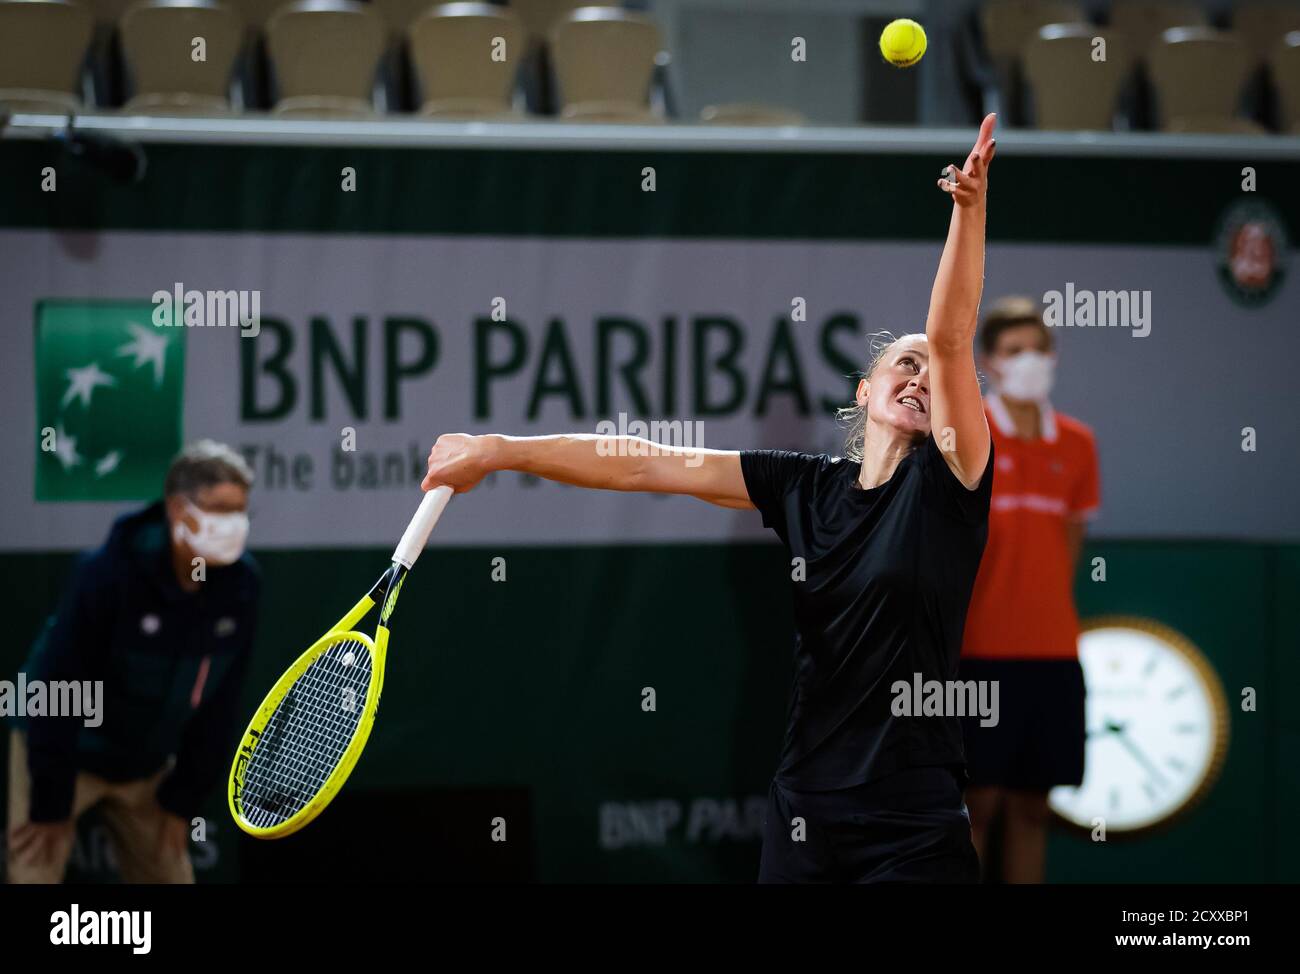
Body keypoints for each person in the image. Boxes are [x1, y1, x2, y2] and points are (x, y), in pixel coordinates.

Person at [420, 116, 1001, 883]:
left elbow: (953, 336)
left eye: (935, 372)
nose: (923, 375)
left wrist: (967, 211)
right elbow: (646, 467)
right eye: (905, 362)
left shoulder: (951, 485)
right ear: (865, 390)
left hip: (914, 818)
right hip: (805, 810)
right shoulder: (803, 487)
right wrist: (500, 451)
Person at [6, 440, 259, 883]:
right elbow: (56, 685)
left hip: (145, 766)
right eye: (220, 511)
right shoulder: (108, 573)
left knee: (172, 875)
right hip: (62, 750)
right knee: (33, 867)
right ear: (179, 510)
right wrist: (49, 801)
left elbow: (219, 704)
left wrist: (182, 801)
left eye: (240, 512)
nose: (233, 526)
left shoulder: (241, 586)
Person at [958, 296, 1101, 883]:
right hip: (976, 653)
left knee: (1031, 808)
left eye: (1040, 349)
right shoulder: (967, 436)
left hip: (1052, 655)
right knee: (975, 806)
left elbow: (1068, 552)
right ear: (989, 362)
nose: (1031, 361)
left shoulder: (1078, 444)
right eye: (1015, 351)